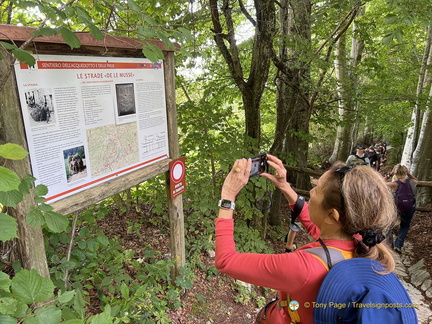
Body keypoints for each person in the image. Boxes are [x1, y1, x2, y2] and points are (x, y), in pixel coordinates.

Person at [215, 155, 397, 323]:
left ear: (332, 215)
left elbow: (226, 261)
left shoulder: (303, 268)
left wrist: (228, 197)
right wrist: (284, 186)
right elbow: (315, 225)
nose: (311, 191)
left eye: (316, 190)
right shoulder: (360, 240)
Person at [387, 164, 418, 253]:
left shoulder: (394, 184)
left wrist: (390, 174)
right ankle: (398, 245)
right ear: (405, 172)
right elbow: (416, 180)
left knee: (389, 225)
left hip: (396, 207)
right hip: (409, 207)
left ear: (395, 173)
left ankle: (389, 244)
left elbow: (380, 182)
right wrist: (408, 173)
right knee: (404, 226)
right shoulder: (412, 182)